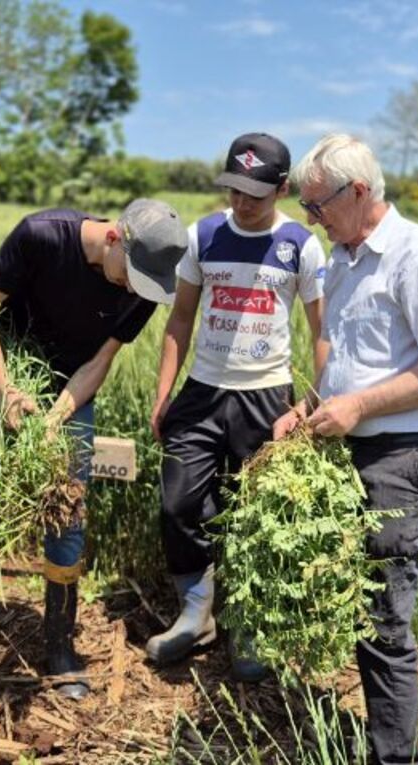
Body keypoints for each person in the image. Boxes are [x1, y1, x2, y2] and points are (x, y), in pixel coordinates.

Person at [0, 200, 188, 699]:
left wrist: (55, 419)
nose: (133, 288)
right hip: (5, 374)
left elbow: (101, 360)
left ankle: (59, 646)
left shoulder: (144, 285)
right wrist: (8, 390)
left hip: (71, 391)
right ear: (112, 239)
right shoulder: (41, 236)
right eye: (131, 275)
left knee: (66, 510)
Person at [279, 133, 418, 765]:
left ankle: (396, 758)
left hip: (400, 458)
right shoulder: (342, 258)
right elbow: (345, 359)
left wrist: (359, 407)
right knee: (363, 610)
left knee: (386, 619)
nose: (313, 219)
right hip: (350, 452)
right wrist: (309, 407)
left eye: (318, 206)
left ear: (359, 191)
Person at [145, 133, 328, 681]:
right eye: (233, 191)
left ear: (281, 188)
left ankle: (249, 623)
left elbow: (323, 332)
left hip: (268, 398)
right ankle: (196, 613)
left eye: (254, 193)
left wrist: (315, 402)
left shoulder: (300, 244)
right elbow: (180, 320)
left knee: (254, 516)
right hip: (203, 392)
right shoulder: (203, 235)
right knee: (178, 503)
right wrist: (163, 394)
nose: (242, 203)